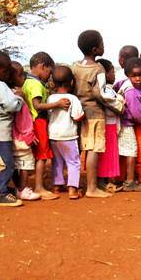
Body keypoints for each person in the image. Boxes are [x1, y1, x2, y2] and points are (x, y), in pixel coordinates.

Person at [72, 30, 117, 198]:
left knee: (79, 148)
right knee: (93, 149)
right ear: (94, 49)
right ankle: (91, 188)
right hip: (95, 113)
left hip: (78, 113)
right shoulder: (98, 69)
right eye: (102, 44)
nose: (104, 46)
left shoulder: (75, 66)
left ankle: (74, 185)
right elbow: (100, 93)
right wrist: (116, 104)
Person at [22, 52, 68, 200]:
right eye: (48, 71)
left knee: (36, 156)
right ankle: (39, 187)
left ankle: (34, 185)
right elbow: (37, 105)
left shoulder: (27, 82)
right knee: (42, 156)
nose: (49, 76)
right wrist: (57, 104)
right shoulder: (35, 84)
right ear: (42, 66)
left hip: (30, 122)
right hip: (39, 122)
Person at [0, 50, 24, 206]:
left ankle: (1, 188)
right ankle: (1, 193)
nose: (8, 74)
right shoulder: (0, 86)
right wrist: (19, 98)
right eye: (6, 71)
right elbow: (11, 105)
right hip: (1, 131)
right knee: (6, 162)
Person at [47, 66, 85, 199]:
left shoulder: (51, 98)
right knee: (73, 162)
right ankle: (73, 189)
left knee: (57, 161)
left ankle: (57, 186)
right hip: (68, 136)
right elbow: (77, 116)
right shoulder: (73, 98)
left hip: (53, 136)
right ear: (72, 82)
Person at [115, 58, 141, 191]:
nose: (137, 79)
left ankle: (120, 178)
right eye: (133, 76)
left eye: (140, 75)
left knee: (124, 151)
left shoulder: (124, 84)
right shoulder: (133, 92)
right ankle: (129, 182)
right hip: (127, 125)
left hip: (121, 123)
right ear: (128, 76)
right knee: (131, 152)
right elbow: (137, 115)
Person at [9, 61, 41, 201]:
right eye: (21, 74)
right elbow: (23, 121)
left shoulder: (6, 94)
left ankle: (17, 187)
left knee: (15, 163)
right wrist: (29, 136)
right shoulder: (19, 97)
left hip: (10, 137)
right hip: (22, 138)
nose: (23, 77)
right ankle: (22, 189)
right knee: (25, 163)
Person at [96, 58, 124, 191]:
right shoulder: (106, 92)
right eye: (112, 71)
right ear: (105, 74)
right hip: (109, 125)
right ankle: (103, 180)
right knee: (107, 154)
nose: (114, 75)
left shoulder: (108, 90)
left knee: (107, 154)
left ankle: (106, 179)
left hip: (110, 125)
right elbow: (115, 106)